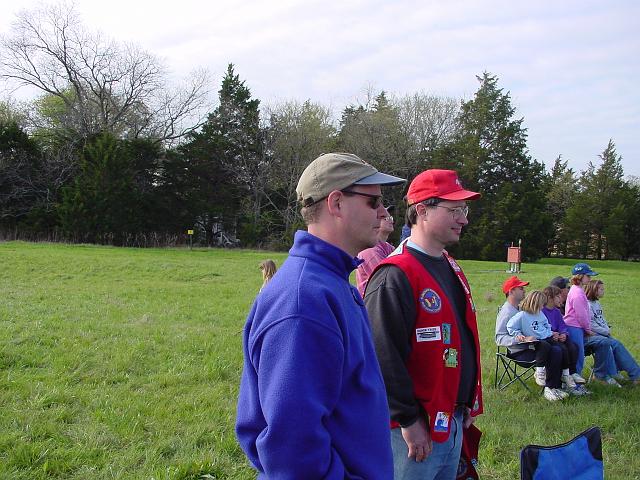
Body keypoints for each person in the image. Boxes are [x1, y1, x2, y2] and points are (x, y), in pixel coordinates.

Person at [236, 152, 405, 478]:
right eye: (374, 202)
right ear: (337, 203)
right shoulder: (304, 301)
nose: (385, 213)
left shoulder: (331, 282)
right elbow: (291, 447)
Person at [365, 169, 483, 479]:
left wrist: (465, 399)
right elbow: (382, 355)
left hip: (451, 419)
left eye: (465, 209)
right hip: (414, 431)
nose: (464, 219)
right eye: (454, 209)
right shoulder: (395, 274)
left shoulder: (449, 265)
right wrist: (408, 420)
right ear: (422, 211)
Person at [495, 276, 565, 399]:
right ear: (511, 291)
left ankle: (553, 387)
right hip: (520, 351)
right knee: (552, 351)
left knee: (558, 349)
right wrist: (521, 338)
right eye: (521, 288)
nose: (524, 290)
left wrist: (548, 333)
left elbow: (535, 325)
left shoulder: (522, 308)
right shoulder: (506, 312)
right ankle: (550, 387)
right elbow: (499, 338)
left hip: (535, 347)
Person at [507, 290, 580, 400]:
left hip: (546, 336)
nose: (543, 306)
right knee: (546, 346)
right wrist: (519, 335)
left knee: (562, 348)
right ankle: (540, 371)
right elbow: (510, 326)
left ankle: (564, 376)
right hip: (534, 343)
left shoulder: (540, 314)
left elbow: (547, 325)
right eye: (542, 304)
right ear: (535, 303)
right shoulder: (522, 315)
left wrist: (552, 333)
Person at [563, 263, 620, 387]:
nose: (589, 278)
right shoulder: (578, 293)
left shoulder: (576, 290)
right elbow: (582, 316)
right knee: (578, 357)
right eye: (588, 276)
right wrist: (588, 330)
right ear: (580, 276)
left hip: (576, 327)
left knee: (578, 354)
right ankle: (575, 385)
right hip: (575, 328)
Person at [584, 279, 640, 385]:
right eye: (601, 289)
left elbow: (602, 319)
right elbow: (590, 324)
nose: (603, 291)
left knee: (616, 345)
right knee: (616, 344)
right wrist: (605, 331)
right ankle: (635, 375)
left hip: (603, 333)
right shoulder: (587, 305)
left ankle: (620, 372)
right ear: (593, 290)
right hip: (594, 334)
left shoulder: (597, 303)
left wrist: (606, 329)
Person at [542, 285, 589, 392]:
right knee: (562, 349)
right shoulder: (542, 312)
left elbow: (562, 326)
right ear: (549, 298)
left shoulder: (556, 312)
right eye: (558, 296)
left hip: (559, 337)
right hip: (549, 339)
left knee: (574, 347)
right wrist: (552, 334)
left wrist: (564, 333)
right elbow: (542, 328)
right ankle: (565, 374)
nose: (561, 298)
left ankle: (572, 373)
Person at [356, 205, 395, 297]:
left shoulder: (388, 247)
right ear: (374, 222)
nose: (390, 220)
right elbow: (388, 279)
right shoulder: (370, 250)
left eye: (390, 217)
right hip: (374, 305)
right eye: (384, 218)